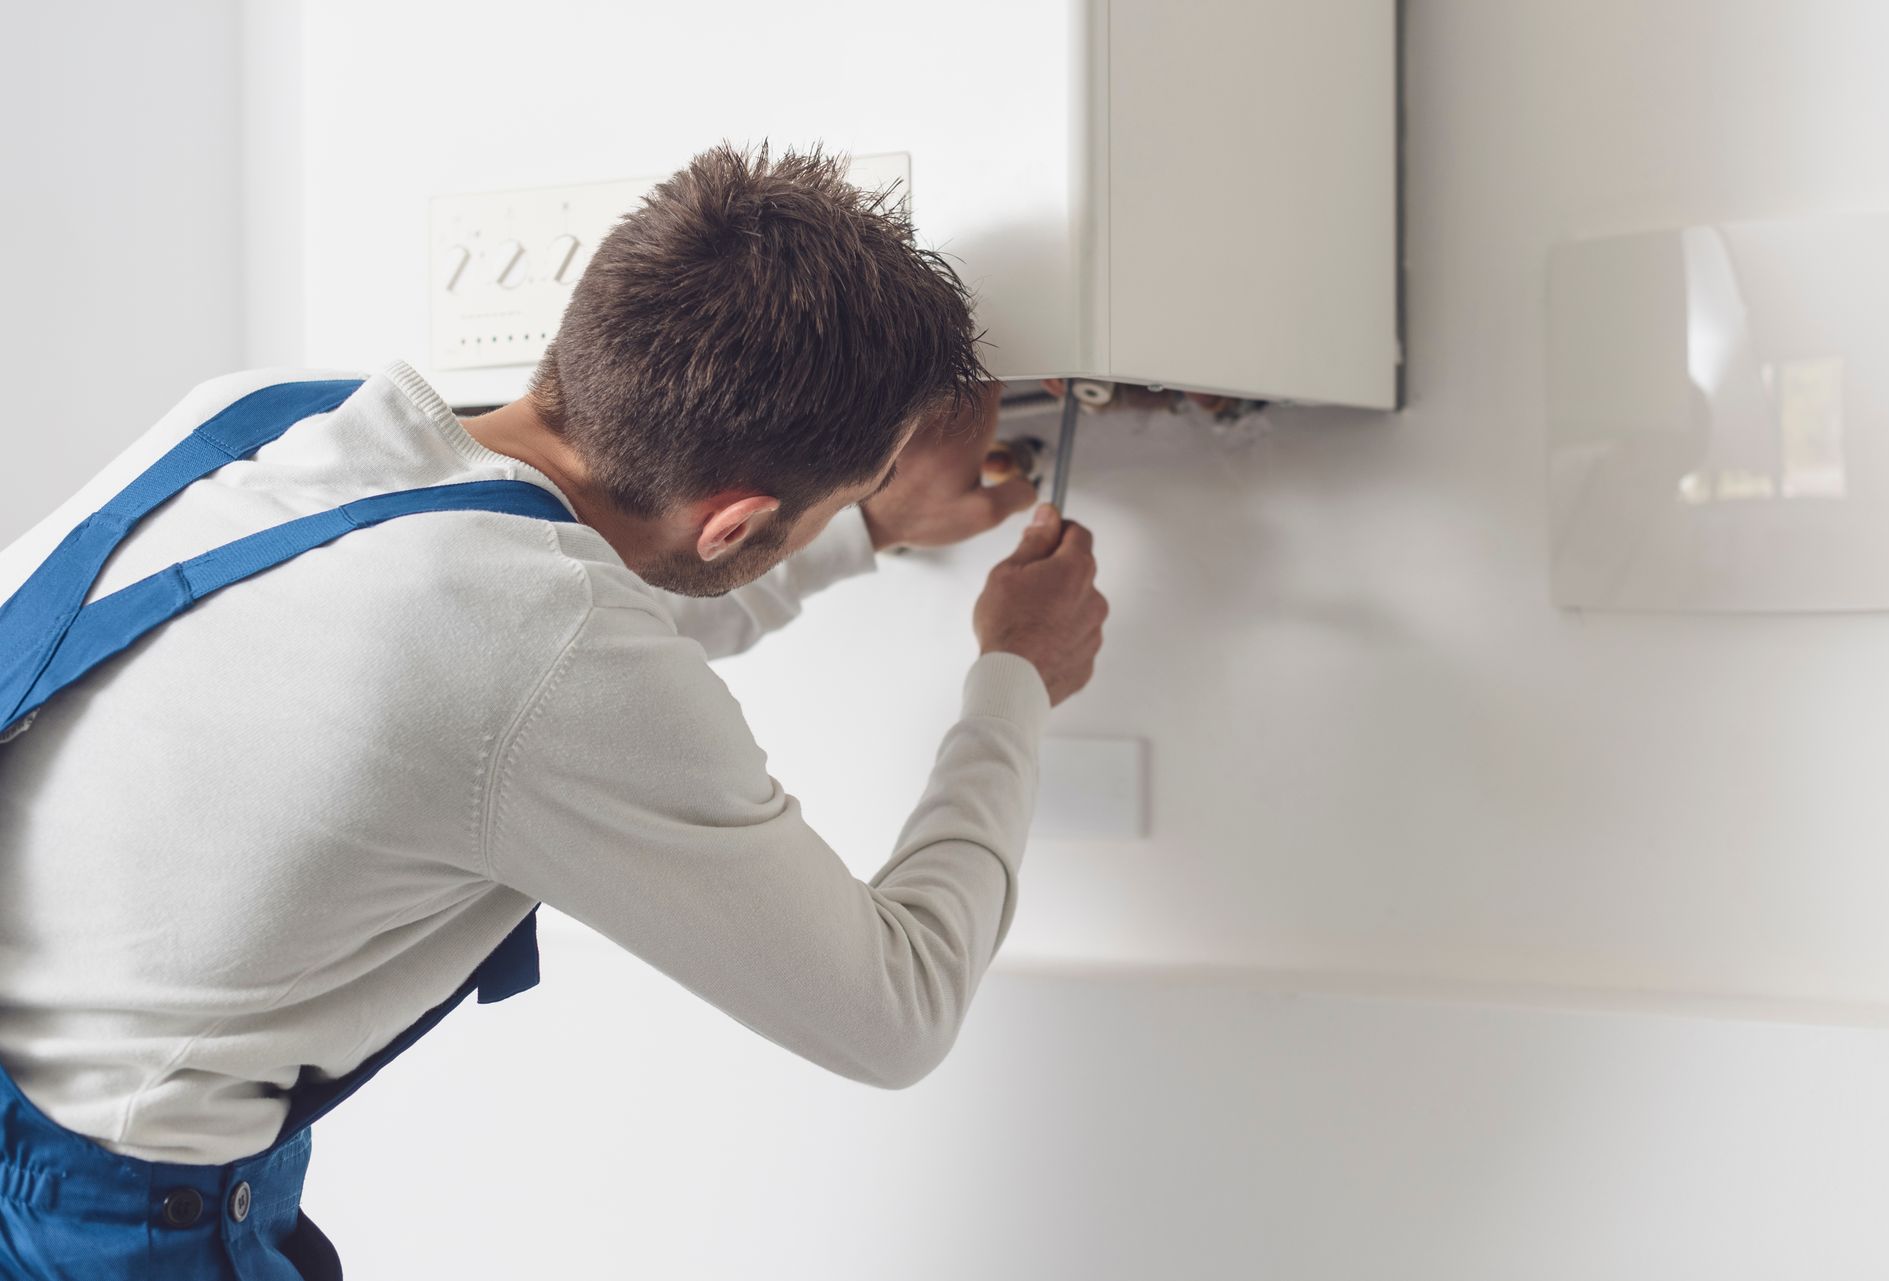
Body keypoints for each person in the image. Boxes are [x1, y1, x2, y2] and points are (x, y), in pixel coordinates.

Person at [0, 141, 1107, 1278]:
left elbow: (537, 644)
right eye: (838, 501)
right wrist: (1017, 673)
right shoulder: (537, 645)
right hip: (101, 1228)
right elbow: (896, 1009)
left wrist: (865, 526)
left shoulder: (259, 424)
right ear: (732, 523)